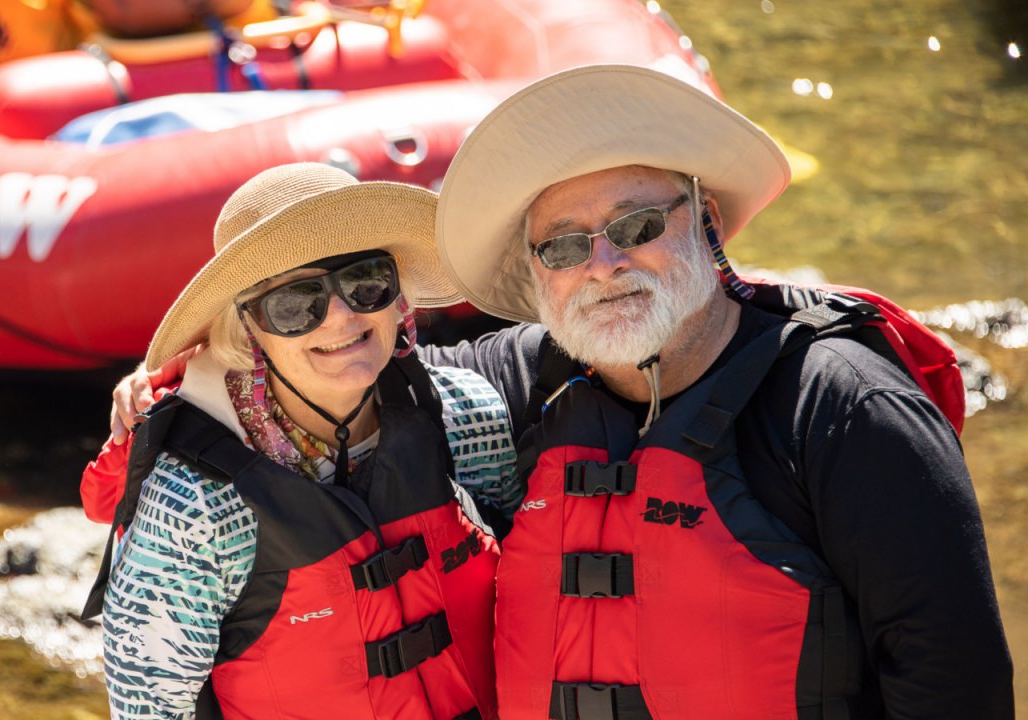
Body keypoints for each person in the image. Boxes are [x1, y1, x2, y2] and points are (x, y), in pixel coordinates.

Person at [103, 66, 1015, 718]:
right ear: (537, 275)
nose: (605, 265)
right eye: (565, 246)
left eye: (638, 224)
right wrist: (164, 408)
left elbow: (953, 683)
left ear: (703, 222)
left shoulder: (842, 408)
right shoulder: (512, 389)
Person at [83, 163, 517, 720]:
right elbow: (148, 709)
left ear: (398, 298)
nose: (341, 316)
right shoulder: (192, 507)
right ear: (247, 329)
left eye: (366, 282)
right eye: (295, 303)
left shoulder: (466, 417)